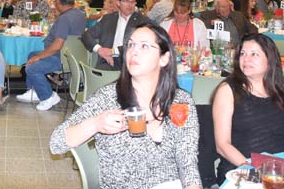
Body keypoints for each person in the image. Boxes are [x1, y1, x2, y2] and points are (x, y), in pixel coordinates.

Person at [50, 23, 202, 189]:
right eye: (130, 45)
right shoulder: (108, 98)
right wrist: (96, 123)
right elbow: (56, 143)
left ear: (164, 58)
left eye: (144, 46)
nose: (133, 52)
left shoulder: (181, 102)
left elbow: (187, 163)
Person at [212, 34, 284, 183]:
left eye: (254, 54)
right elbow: (222, 145)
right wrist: (254, 170)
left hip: (281, 171)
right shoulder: (228, 90)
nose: (246, 59)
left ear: (270, 60)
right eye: (243, 54)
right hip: (242, 170)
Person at [18, 0, 86, 111]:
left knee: (31, 67)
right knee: (31, 54)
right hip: (74, 56)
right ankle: (34, 91)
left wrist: (39, 57)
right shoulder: (79, 14)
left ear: (59, 2)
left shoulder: (64, 18)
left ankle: (48, 97)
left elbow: (57, 45)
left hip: (61, 58)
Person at [82, 0, 151, 70]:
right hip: (108, 61)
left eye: (133, 2)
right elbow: (86, 35)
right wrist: (99, 49)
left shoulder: (142, 21)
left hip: (131, 61)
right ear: (118, 3)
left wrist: (112, 51)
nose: (130, 5)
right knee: (98, 74)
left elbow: (140, 44)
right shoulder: (108, 19)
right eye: (126, 1)